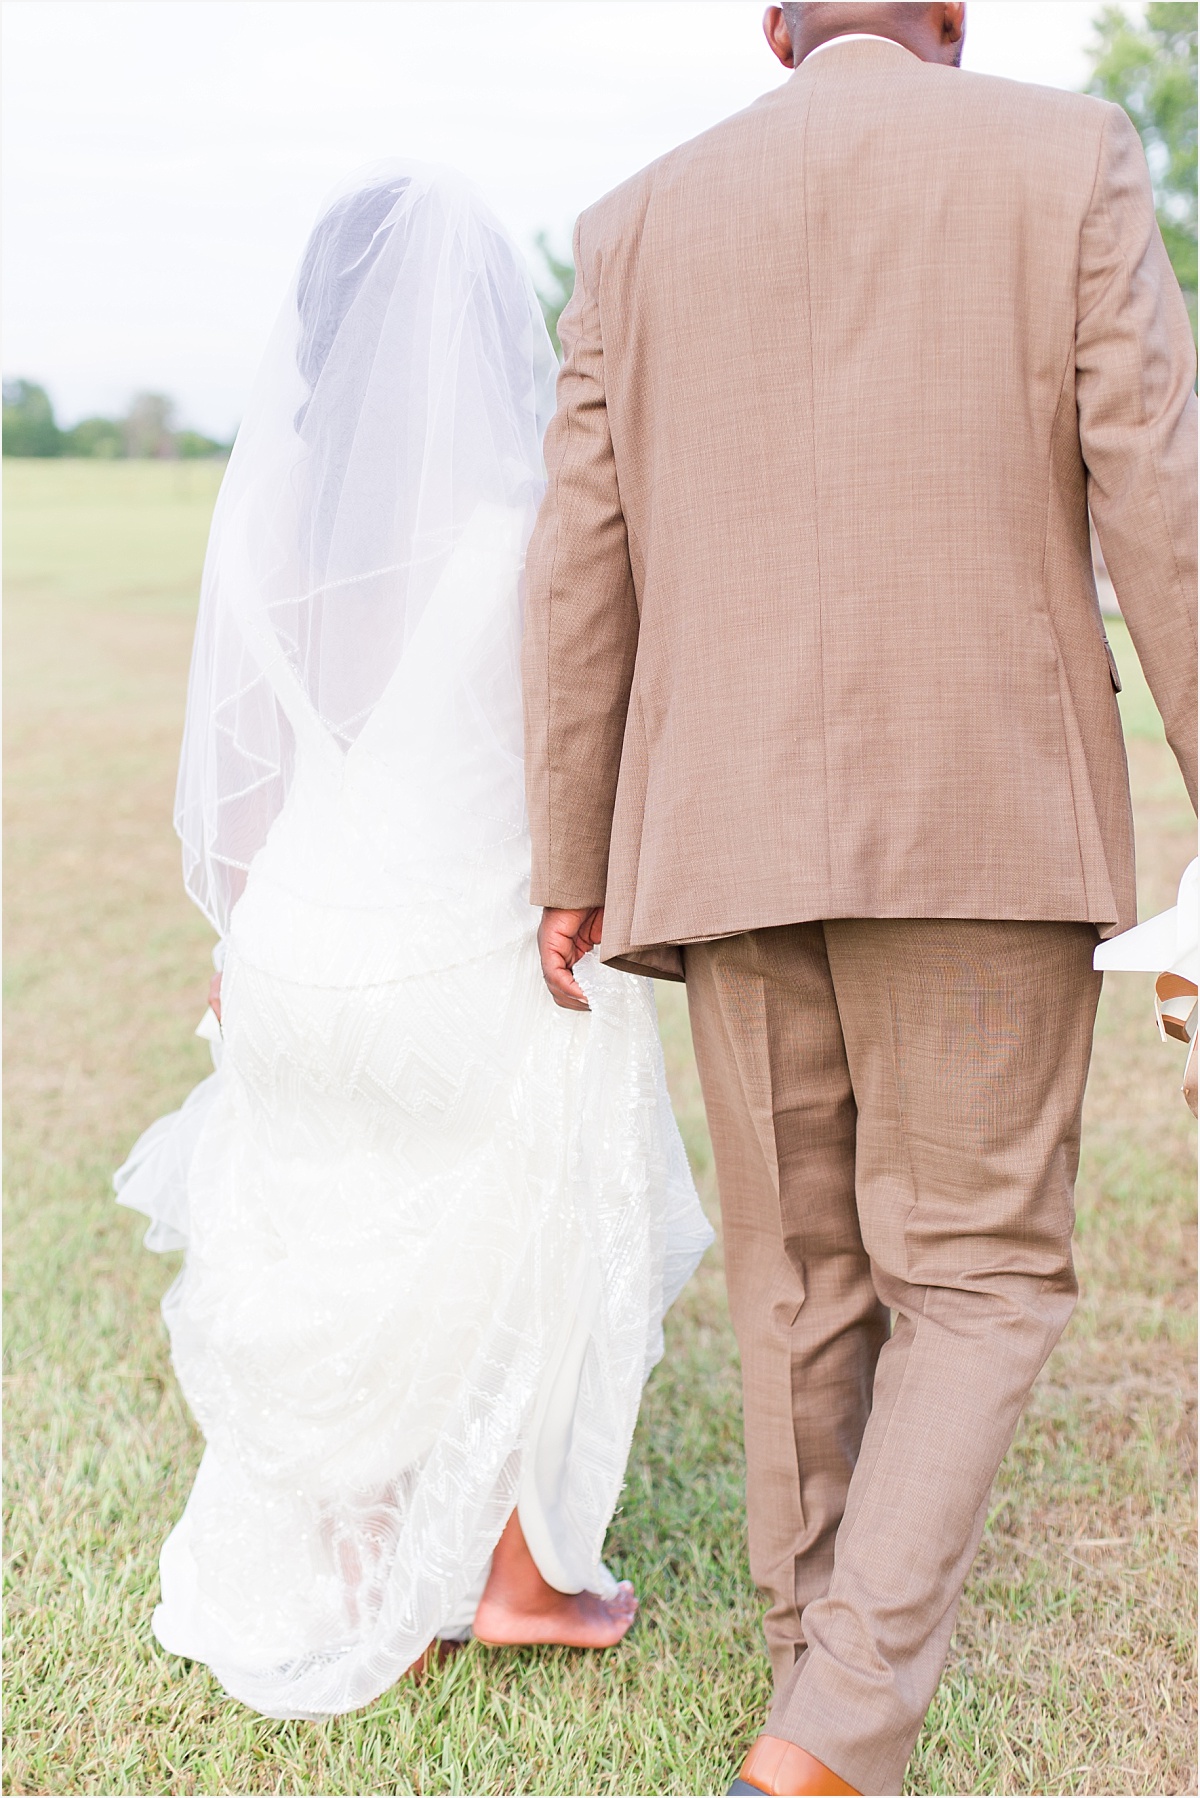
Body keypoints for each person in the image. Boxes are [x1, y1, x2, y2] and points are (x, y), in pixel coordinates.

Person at [522, 2, 1197, 1792]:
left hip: (721, 833)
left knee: (802, 1277)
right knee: (974, 1270)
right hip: (986, 813)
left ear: (774, 32)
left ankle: (814, 1690)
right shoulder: (1071, 161)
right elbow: (1166, 502)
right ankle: (834, 1728)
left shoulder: (636, 220)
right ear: (955, 19)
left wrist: (569, 858)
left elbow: (575, 559)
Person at [115, 162, 712, 1722]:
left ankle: (382, 1535)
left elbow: (239, 777)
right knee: (585, 1137)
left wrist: (243, 948)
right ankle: (512, 1570)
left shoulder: (266, 521)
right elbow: (575, 746)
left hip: (292, 953)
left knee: (338, 1203)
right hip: (461, 954)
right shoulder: (524, 522)